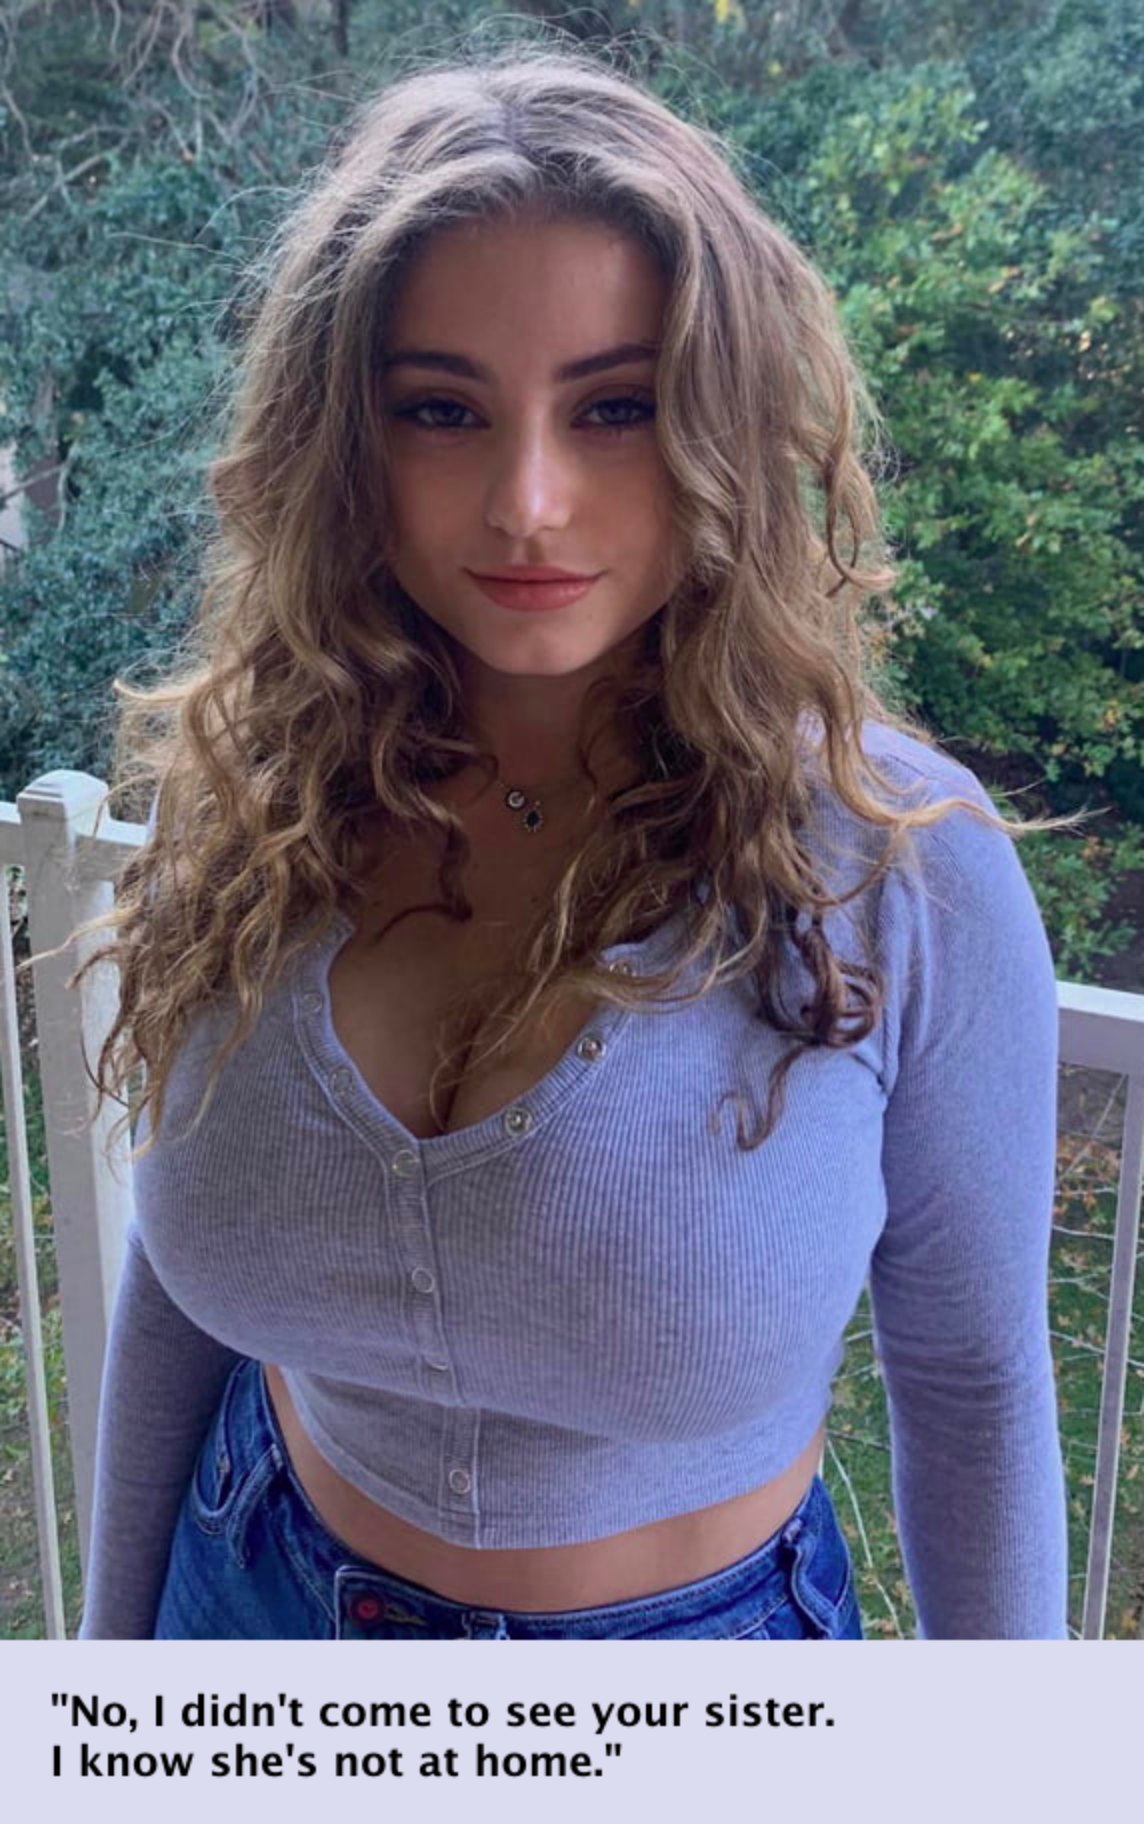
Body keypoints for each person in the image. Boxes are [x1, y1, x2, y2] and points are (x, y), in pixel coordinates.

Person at [75, 41, 1071, 1643]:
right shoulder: (257, 803)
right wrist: (106, 1676)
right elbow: (176, 1304)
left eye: (616, 407)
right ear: (345, 443)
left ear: (724, 427)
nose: (527, 502)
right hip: (242, 1593)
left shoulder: (899, 872)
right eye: (441, 410)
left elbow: (973, 1386)